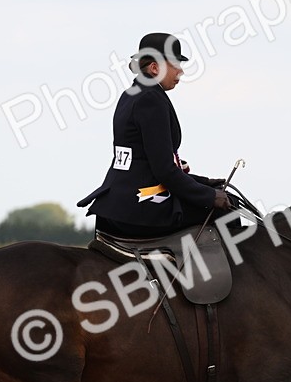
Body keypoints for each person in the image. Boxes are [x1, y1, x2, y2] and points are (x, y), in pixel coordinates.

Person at [77, 32, 232, 238]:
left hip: (116, 204)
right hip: (140, 208)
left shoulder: (131, 94)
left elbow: (144, 161)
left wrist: (205, 182)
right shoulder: (151, 99)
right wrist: (208, 195)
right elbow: (164, 171)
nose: (181, 71)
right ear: (155, 68)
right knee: (227, 210)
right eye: (176, 64)